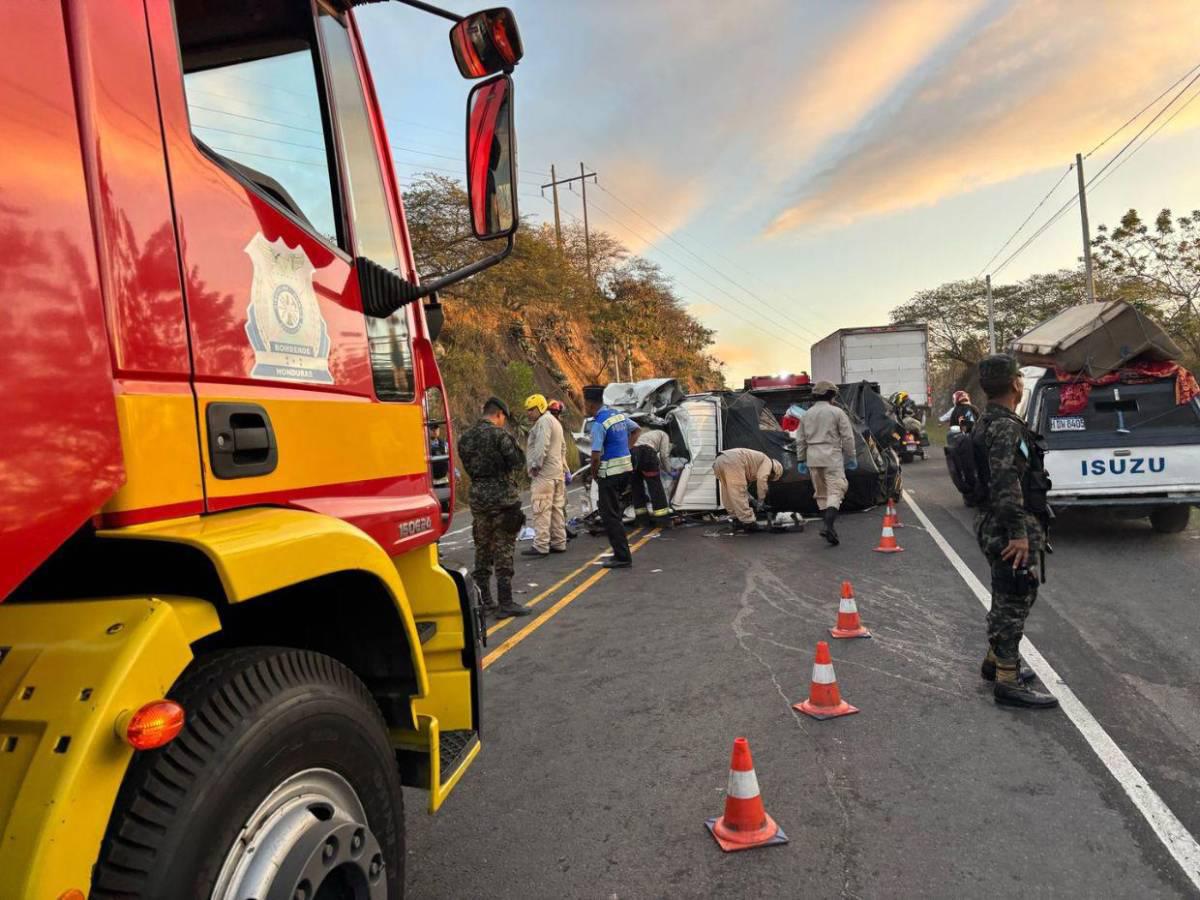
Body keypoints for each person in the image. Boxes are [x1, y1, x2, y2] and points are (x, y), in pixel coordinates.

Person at [974, 354, 1057, 709]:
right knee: (1015, 597)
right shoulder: (1006, 427)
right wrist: (1019, 534)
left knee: (1008, 592)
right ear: (1015, 384)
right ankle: (1008, 680)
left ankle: (995, 663)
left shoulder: (987, 421)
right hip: (1007, 525)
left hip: (994, 521)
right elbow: (1006, 481)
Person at [456, 397, 532, 618]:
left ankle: (484, 600)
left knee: (482, 548)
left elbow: (468, 466)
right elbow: (518, 462)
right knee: (504, 549)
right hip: (502, 499)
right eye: (503, 419)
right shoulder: (500, 435)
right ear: (499, 414)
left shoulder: (465, 437)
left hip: (478, 497)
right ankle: (505, 602)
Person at [795, 381, 857, 546]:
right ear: (831, 395)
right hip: (832, 457)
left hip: (813, 458)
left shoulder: (806, 415)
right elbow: (848, 437)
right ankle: (828, 526)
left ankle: (830, 529)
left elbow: (800, 439)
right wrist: (851, 457)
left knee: (821, 494)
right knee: (836, 491)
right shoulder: (837, 412)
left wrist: (801, 459)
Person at [583, 385, 634, 569]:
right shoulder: (617, 415)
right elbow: (636, 430)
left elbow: (595, 456)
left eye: (585, 403)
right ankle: (622, 554)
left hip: (609, 474)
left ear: (589, 404)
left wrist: (595, 475)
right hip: (625, 471)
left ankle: (622, 556)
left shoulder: (598, 424)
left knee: (609, 515)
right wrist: (625, 450)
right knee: (616, 513)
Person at [522, 394, 568, 558]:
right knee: (556, 508)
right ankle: (559, 541)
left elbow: (542, 445)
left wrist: (535, 465)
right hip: (556, 473)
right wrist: (564, 468)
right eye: (527, 410)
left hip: (544, 474)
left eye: (531, 410)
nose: (528, 413)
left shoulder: (543, 422)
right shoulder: (555, 422)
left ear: (540, 407)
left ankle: (541, 545)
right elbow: (563, 448)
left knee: (541, 508)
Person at [712, 447, 783, 532]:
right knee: (738, 492)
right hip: (734, 461)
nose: (769, 478)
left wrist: (753, 500)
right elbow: (762, 480)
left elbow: (744, 489)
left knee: (728, 492)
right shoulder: (767, 462)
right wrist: (761, 500)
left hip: (719, 461)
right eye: (771, 477)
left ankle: (736, 520)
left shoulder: (754, 465)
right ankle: (749, 523)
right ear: (774, 471)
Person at [627, 423, 673, 527]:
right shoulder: (664, 435)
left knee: (637, 488)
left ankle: (642, 520)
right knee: (655, 487)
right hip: (646, 453)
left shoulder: (647, 435)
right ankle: (663, 521)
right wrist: (669, 471)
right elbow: (664, 455)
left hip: (632, 454)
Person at [548, 399, 578, 539]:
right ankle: (558, 532)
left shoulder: (552, 425)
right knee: (556, 503)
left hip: (556, 470)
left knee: (560, 502)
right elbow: (559, 452)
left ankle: (560, 529)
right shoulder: (551, 426)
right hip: (553, 471)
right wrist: (566, 470)